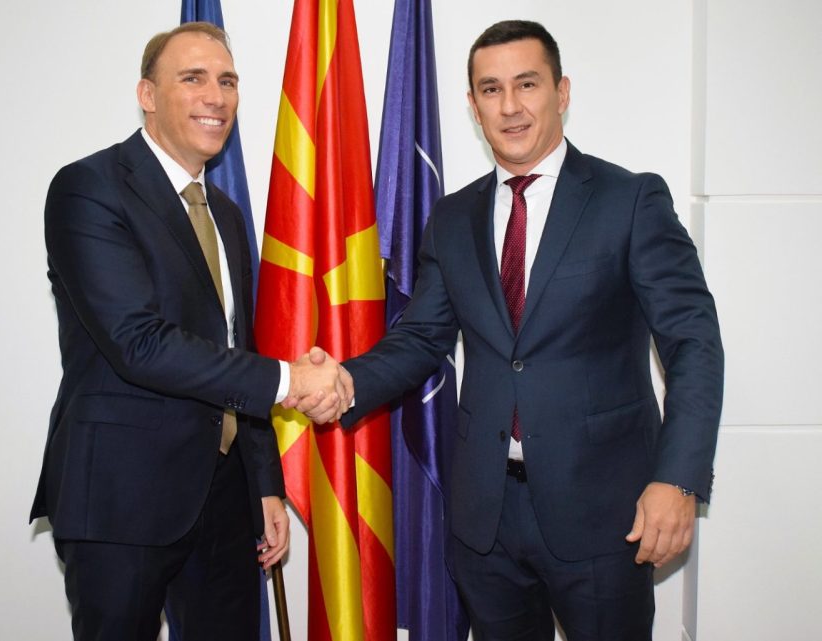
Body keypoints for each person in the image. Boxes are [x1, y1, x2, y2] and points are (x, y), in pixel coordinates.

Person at [294, 19, 723, 641]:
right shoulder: (451, 217)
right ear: (473, 106)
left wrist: (677, 478)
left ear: (562, 91)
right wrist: (345, 380)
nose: (510, 106)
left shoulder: (629, 201)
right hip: (485, 521)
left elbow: (694, 346)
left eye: (527, 84)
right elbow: (421, 337)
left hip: (606, 514)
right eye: (491, 90)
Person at [29, 23, 350, 641]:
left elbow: (235, 348)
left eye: (227, 81)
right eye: (193, 78)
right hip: (120, 500)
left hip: (224, 498)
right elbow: (138, 342)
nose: (216, 96)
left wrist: (264, 484)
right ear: (147, 95)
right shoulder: (89, 188)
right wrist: (291, 381)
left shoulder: (225, 213)